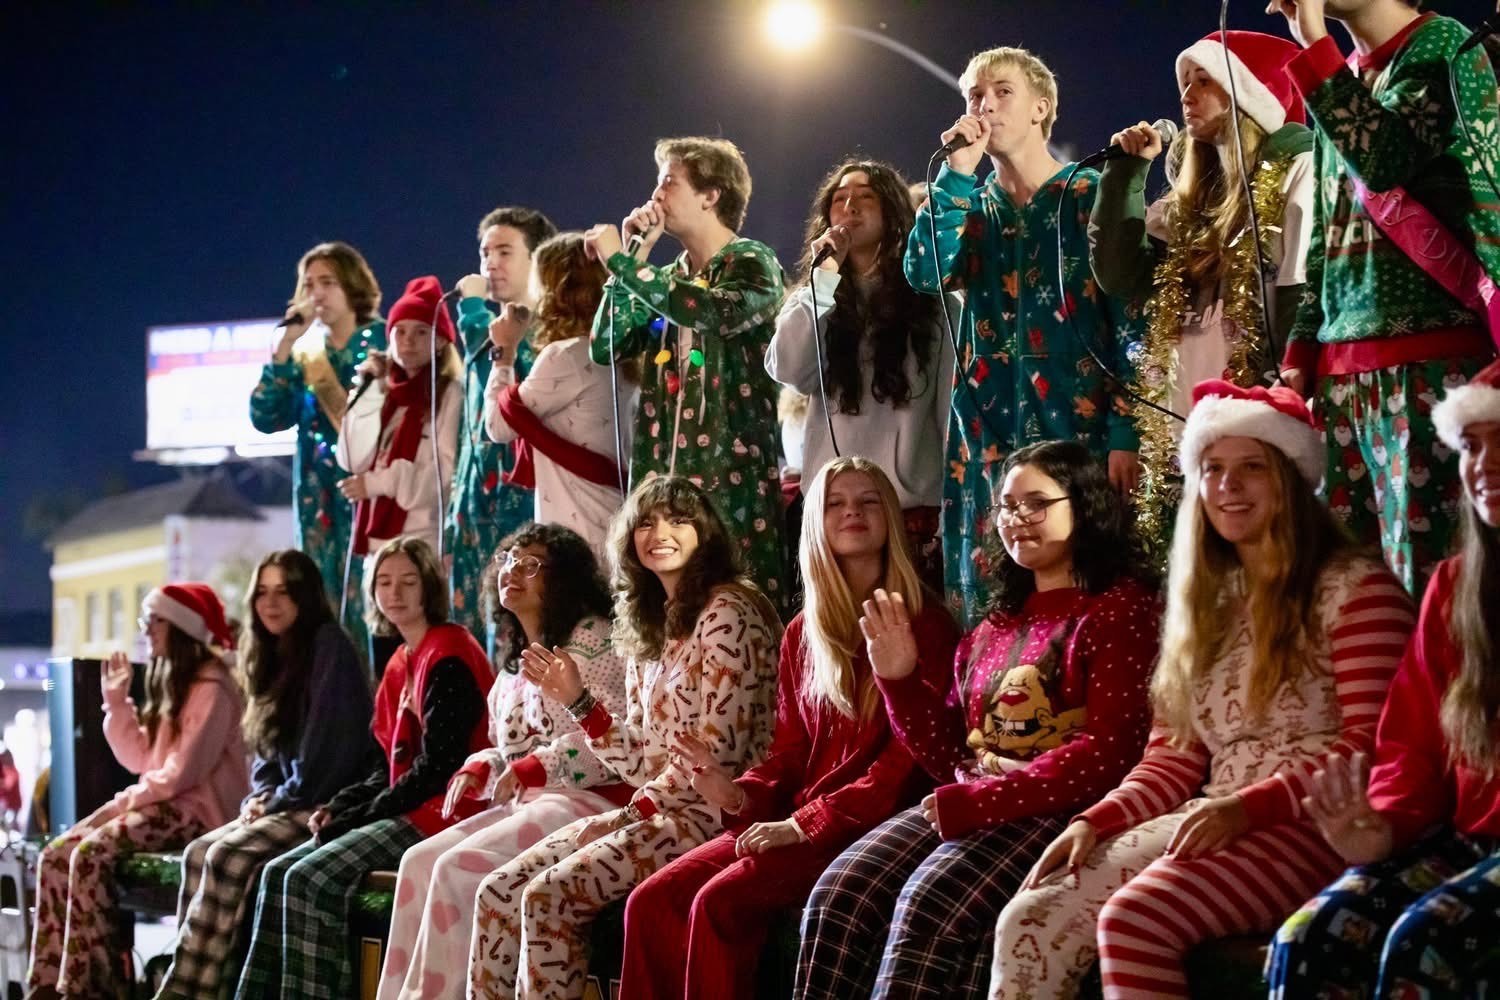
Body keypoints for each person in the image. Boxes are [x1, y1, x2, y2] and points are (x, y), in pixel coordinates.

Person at [991, 381, 1415, 998]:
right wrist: (1095, 820)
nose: (1227, 486)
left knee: (1134, 921)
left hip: (1321, 826)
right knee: (1027, 917)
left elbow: (1373, 747)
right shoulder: (1207, 604)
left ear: (1291, 481)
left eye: (1252, 468)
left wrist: (1249, 807)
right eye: (1212, 469)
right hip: (1213, 815)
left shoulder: (1356, 590)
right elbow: (1173, 754)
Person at [796, 442, 1161, 1000]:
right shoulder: (992, 627)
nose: (1017, 520)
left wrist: (978, 803)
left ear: (1084, 506)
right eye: (1008, 506)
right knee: (837, 894)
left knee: (929, 903)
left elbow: (1109, 753)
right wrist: (898, 679)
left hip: (1055, 808)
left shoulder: (1119, 608)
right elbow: (949, 757)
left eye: (1036, 503)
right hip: (977, 799)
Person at [619, 457, 960, 1000]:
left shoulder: (925, 622)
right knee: (651, 901)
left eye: (868, 501)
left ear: (891, 519)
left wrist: (803, 825)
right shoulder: (804, 632)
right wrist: (738, 793)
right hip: (800, 817)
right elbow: (789, 752)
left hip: (868, 827)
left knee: (717, 902)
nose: (852, 511)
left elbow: (904, 771)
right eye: (834, 503)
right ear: (815, 524)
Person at [466, 476, 781, 1000]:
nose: (660, 531)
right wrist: (579, 702)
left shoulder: (728, 611)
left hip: (718, 813)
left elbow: (718, 753)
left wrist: (636, 809)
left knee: (546, 897)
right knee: (497, 892)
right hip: (657, 810)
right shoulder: (645, 626)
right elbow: (641, 760)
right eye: (647, 521)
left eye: (678, 519)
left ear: (705, 532)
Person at [1265, 358, 1500, 997]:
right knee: (1309, 936)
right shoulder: (1455, 588)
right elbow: (1410, 743)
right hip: (1468, 842)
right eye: (1473, 446)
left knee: (1424, 941)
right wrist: (1385, 827)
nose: (1484, 465)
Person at [904, 46, 1144, 627]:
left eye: (1001, 92)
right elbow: (924, 272)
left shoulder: (1088, 194)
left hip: (1077, 427)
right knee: (995, 597)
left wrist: (1126, 429)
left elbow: (1132, 321)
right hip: (987, 431)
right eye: (974, 96)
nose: (984, 106)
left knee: (1085, 586)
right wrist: (956, 176)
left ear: (1042, 108)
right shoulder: (968, 204)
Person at [1270, 0, 1500, 594]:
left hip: (1432, 365)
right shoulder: (1338, 71)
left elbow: (1384, 157)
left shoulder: (1443, 45)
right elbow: (1325, 232)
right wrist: (1301, 353)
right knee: (1354, 589)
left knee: (1430, 584)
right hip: (1345, 378)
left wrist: (1312, 41)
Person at [377, 524, 629, 1000]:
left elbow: (615, 738)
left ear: (564, 578)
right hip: (535, 803)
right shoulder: (513, 664)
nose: (512, 571)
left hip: (590, 803)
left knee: (456, 867)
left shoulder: (593, 640)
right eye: (509, 560)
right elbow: (507, 749)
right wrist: (481, 764)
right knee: (417, 861)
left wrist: (534, 766)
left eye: (531, 564)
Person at [234, 537, 492, 999]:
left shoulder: (448, 650)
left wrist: (357, 816)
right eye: (384, 582)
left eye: (408, 581)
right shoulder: (400, 661)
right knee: (276, 873)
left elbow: (438, 767)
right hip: (408, 804)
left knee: (308, 879)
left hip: (445, 811)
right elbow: (382, 763)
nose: (395, 593)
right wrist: (341, 805)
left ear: (429, 587)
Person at [1090, 30, 1313, 553]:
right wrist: (1125, 177)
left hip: (1256, 422)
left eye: (1204, 79)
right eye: (1184, 83)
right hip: (1182, 431)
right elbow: (1120, 276)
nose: (1187, 95)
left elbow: (1298, 293)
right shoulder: (1187, 205)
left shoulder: (1293, 173)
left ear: (1250, 91)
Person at [154, 552, 373, 1000]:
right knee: (199, 852)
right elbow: (266, 751)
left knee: (226, 858)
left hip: (327, 803)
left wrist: (275, 799)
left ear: (305, 596)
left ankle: (182, 991)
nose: (270, 604)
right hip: (290, 798)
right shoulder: (270, 655)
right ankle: (206, 986)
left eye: (284, 591)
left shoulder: (328, 644)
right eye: (262, 593)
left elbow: (323, 758)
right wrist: (263, 794)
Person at [587, 136, 790, 615]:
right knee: (667, 621)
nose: (656, 196)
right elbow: (606, 344)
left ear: (710, 194)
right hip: (665, 482)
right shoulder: (666, 278)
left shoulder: (751, 261)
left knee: (738, 609)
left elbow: (717, 313)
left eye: (669, 183)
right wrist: (633, 258)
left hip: (730, 482)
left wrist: (622, 264)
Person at [28, 584, 247, 999]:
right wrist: (117, 703)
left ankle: (89, 984)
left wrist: (113, 809)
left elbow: (179, 776)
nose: (146, 631)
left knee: (89, 855)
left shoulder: (213, 689)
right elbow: (143, 760)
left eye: (154, 621)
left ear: (180, 627)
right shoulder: (176, 682)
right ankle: (47, 984)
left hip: (197, 814)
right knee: (54, 855)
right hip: (167, 806)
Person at [767, 161, 955, 593]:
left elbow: (950, 416)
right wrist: (821, 280)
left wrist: (953, 511)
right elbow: (787, 367)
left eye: (866, 196)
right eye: (838, 199)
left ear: (892, 212)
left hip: (911, 510)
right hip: (834, 511)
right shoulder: (819, 295)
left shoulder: (933, 303)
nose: (849, 205)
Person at [250, 241, 385, 656]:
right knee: (321, 609)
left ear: (352, 286)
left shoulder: (385, 341)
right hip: (318, 506)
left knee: (378, 606)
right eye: (308, 285)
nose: (317, 294)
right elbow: (266, 417)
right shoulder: (302, 355)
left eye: (327, 282)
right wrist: (282, 348)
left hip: (376, 498)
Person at [484, 232, 637, 556]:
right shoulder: (625, 353)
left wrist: (504, 352)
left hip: (577, 533)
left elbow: (498, 425)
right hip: (617, 519)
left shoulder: (565, 356)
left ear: (555, 291)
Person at [448, 207, 558, 640]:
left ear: (537, 259)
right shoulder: (486, 334)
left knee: (514, 648)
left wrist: (473, 311)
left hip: (517, 517)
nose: (490, 263)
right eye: (484, 252)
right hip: (472, 520)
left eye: (505, 251)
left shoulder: (548, 334)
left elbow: (514, 407)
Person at [337, 275, 464, 593]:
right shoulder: (383, 392)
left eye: (421, 332)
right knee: (382, 636)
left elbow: (444, 473)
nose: (408, 341)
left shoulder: (449, 393)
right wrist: (367, 393)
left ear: (439, 341)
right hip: (378, 544)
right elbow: (352, 457)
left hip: (422, 539)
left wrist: (379, 483)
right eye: (400, 331)